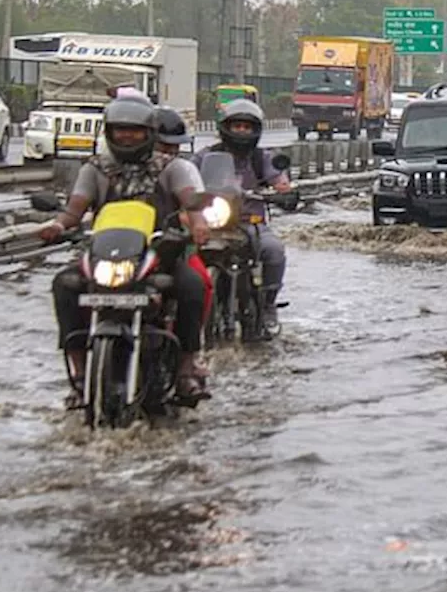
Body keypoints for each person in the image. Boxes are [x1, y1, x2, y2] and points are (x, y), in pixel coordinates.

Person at [40, 96, 213, 406]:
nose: (127, 137)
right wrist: (56, 225)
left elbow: (191, 199)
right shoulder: (95, 169)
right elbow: (74, 211)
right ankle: (79, 374)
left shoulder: (173, 167)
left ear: (149, 133)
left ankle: (187, 368)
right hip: (103, 257)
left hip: (158, 256)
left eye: (134, 131)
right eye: (120, 130)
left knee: (192, 285)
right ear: (109, 132)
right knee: (64, 284)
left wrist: (198, 223)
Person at [192, 99, 292, 335]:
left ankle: (268, 305)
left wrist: (283, 189)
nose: (241, 131)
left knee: (273, 250)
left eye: (247, 127)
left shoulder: (261, 158)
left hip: (250, 222)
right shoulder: (205, 156)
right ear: (225, 127)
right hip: (212, 222)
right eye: (236, 126)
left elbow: (280, 180)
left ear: (255, 130)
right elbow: (187, 179)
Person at [155, 106, 214, 333]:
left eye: (174, 147)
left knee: (200, 284)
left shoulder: (183, 169)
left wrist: (197, 223)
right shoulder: (107, 167)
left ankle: (190, 351)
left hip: (168, 246)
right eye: (162, 146)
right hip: (119, 250)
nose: (168, 153)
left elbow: (194, 204)